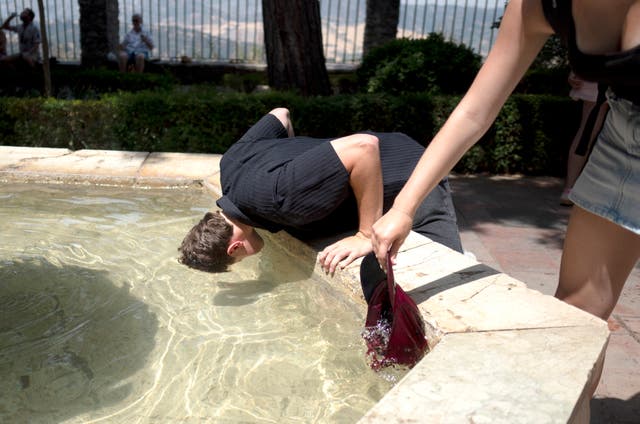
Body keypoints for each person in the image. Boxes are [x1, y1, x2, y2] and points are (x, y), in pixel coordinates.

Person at [371, 0, 640, 325]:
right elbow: (474, 112)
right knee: (573, 316)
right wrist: (403, 209)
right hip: (622, 136)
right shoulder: (539, 6)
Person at [179, 107, 463, 274]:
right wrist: (300, 166)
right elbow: (281, 114)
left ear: (235, 247)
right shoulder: (230, 166)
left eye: (236, 262)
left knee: (448, 277)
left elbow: (364, 147)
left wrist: (365, 235)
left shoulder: (280, 199)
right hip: (395, 152)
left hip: (411, 174)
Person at [560, 72, 609, 206]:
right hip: (604, 79)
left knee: (587, 133)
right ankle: (570, 188)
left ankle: (570, 188)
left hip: (608, 77)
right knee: (587, 133)